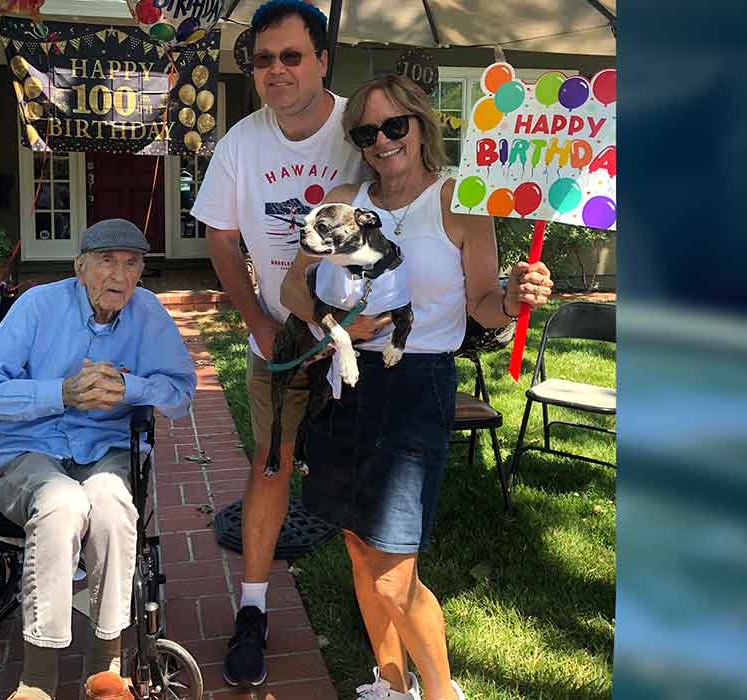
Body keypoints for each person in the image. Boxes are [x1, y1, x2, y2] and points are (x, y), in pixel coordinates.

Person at [280, 75, 554, 700]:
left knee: (392, 573)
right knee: (356, 546)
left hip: (417, 384)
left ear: (421, 124)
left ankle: (440, 693)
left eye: (393, 126)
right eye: (366, 131)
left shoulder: (459, 201)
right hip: (345, 383)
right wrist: (335, 324)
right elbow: (294, 289)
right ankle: (390, 681)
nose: (380, 141)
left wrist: (514, 298)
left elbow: (484, 305)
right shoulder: (346, 197)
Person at [189, 0, 371, 688]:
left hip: (363, 331)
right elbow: (219, 235)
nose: (276, 70)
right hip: (284, 335)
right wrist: (258, 322)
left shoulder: (362, 127)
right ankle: (254, 608)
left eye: (291, 55)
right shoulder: (242, 142)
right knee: (271, 466)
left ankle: (377, 600)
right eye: (262, 58)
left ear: (322, 59)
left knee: (360, 477)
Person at [0, 219, 197, 700]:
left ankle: (105, 668)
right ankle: (38, 679)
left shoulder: (147, 314)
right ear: (80, 266)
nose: (120, 275)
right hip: (26, 450)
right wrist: (60, 393)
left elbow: (181, 393)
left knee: (109, 506)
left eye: (132, 264)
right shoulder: (38, 307)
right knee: (62, 503)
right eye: (107, 261)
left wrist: (131, 388)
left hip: (104, 450)